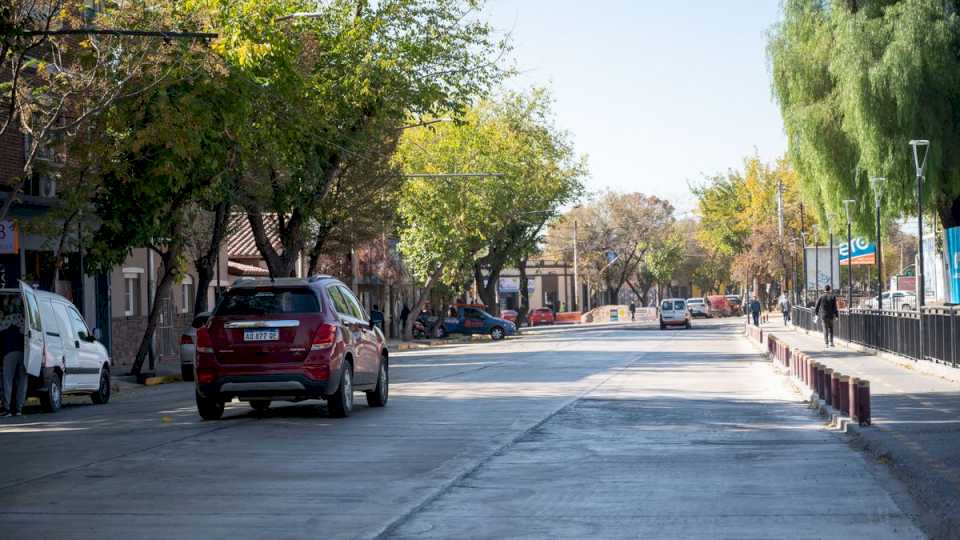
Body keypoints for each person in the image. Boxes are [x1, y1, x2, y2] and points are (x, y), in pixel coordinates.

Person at [0, 296, 27, 417]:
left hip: (9, 352)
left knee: (7, 381)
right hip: (25, 353)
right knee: (22, 381)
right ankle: (19, 409)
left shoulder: (5, 320)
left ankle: (7, 409)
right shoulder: (25, 320)